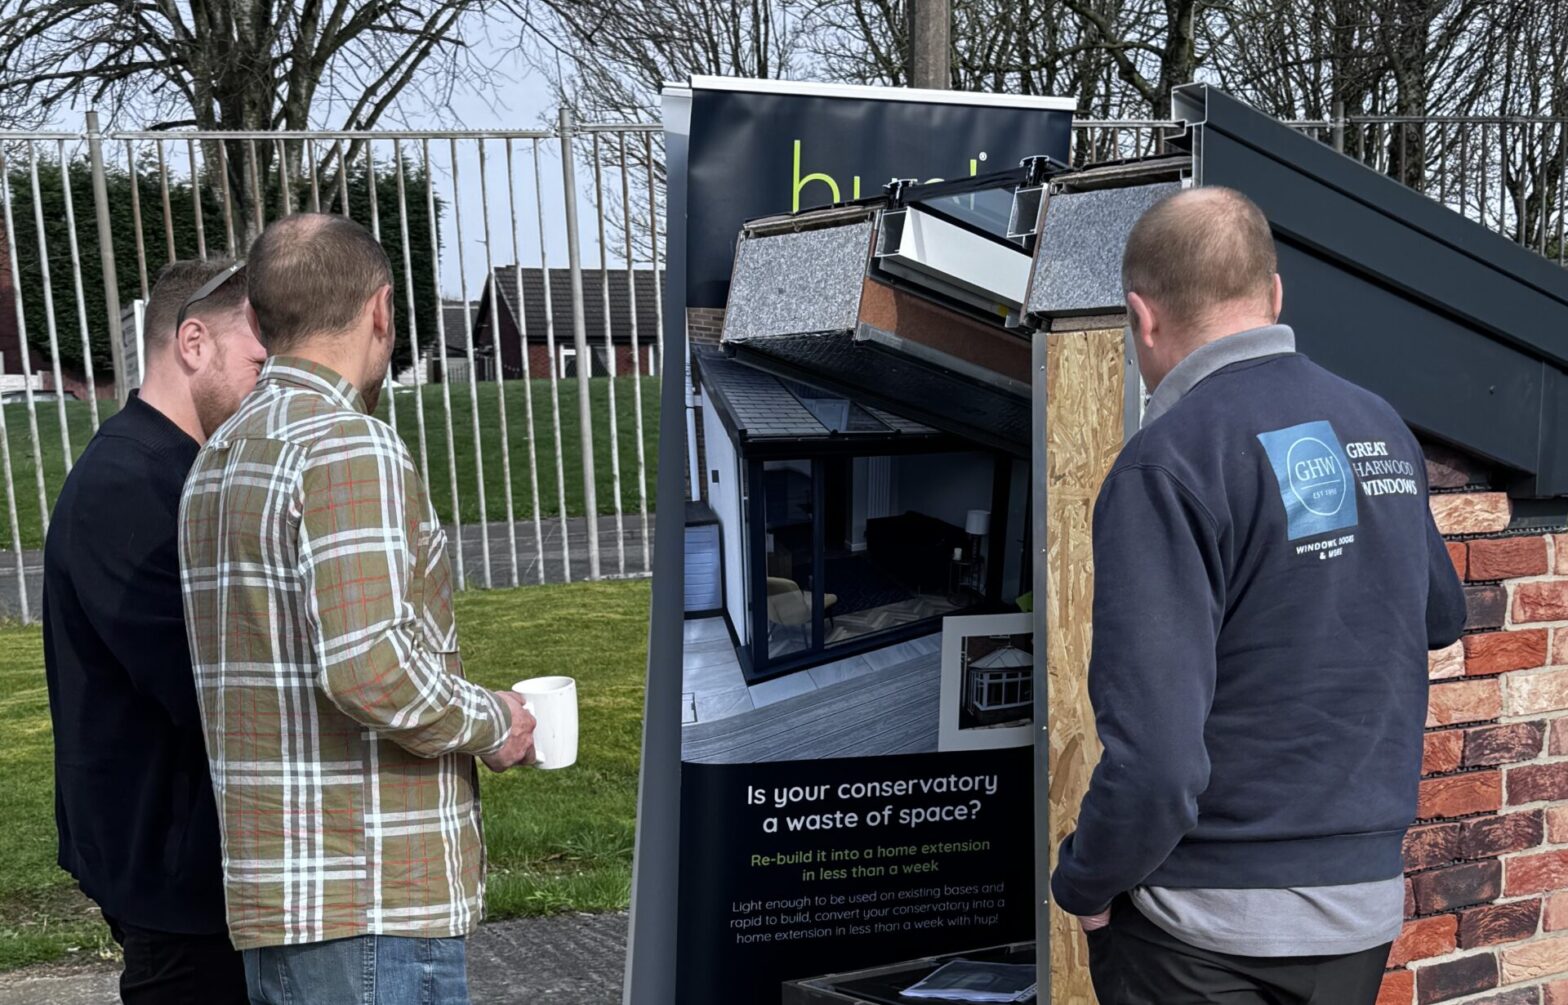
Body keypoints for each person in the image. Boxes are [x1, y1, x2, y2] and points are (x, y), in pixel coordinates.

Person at [1050, 187, 1468, 1004]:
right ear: (1274, 294)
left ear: (1142, 317)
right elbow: (1439, 615)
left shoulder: (1167, 463)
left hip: (1201, 934)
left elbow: (1157, 765)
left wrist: (1085, 882)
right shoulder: (1379, 425)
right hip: (1358, 914)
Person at [178, 212, 536, 1005]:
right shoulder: (346, 443)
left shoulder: (219, 457)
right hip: (373, 896)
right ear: (382, 309)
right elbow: (371, 669)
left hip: (284, 898)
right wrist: (495, 720)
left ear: (259, 319)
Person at [43, 258, 265, 1004]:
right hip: (171, 871)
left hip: (191, 861)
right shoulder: (129, 483)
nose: (269, 383)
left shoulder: (175, 469)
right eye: (258, 362)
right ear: (193, 342)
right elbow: (204, 682)